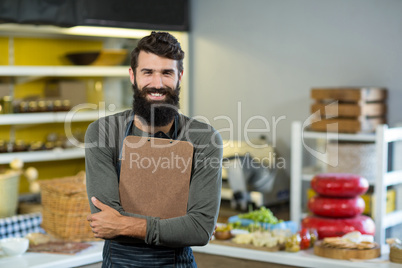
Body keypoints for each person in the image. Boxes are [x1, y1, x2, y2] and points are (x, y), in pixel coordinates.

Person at [85, 31, 223, 267]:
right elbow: (106, 224)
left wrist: (124, 224)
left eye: (167, 73)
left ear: (180, 75)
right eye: (148, 72)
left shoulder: (204, 138)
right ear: (133, 75)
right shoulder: (103, 133)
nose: (157, 84)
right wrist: (180, 226)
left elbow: (199, 229)